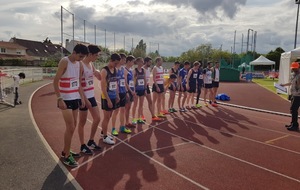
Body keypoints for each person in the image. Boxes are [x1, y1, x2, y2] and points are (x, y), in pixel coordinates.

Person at [53, 44, 88, 167]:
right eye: (80, 56)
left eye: (83, 57)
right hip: (65, 99)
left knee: (73, 126)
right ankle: (67, 156)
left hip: (75, 98)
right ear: (74, 52)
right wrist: (59, 98)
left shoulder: (79, 64)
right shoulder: (64, 61)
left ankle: (66, 150)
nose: (81, 59)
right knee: (71, 126)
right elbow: (55, 81)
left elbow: (77, 81)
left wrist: (82, 97)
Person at [77, 45, 102, 155]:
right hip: (83, 97)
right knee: (82, 122)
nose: (97, 57)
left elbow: (99, 78)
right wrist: (84, 99)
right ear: (90, 54)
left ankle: (91, 141)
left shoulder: (91, 64)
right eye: (96, 55)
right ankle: (82, 145)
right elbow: (78, 84)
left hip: (91, 95)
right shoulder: (81, 65)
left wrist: (97, 72)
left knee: (97, 118)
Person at [100, 53, 120, 145]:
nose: (116, 65)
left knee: (109, 116)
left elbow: (115, 84)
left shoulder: (115, 70)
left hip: (113, 96)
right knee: (106, 117)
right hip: (106, 96)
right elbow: (103, 87)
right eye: (115, 63)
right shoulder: (104, 71)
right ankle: (104, 136)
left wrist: (117, 95)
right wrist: (108, 100)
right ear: (111, 60)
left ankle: (103, 133)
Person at [111, 53, 132, 136]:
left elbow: (124, 81)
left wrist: (126, 92)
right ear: (120, 60)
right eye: (124, 59)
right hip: (117, 93)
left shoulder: (123, 69)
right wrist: (116, 94)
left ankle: (122, 126)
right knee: (116, 111)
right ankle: (113, 128)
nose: (125, 61)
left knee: (122, 110)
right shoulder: (114, 69)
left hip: (123, 92)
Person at [281, 61, 300, 131]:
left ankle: (295, 125)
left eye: (295, 68)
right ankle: (293, 123)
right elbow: (291, 83)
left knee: (294, 109)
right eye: (293, 68)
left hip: (298, 95)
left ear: (297, 68)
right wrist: (283, 85)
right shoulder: (293, 74)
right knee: (292, 110)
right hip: (293, 94)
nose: (293, 69)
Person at [141, 57, 162, 122]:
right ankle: (142, 116)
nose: (150, 63)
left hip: (146, 86)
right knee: (141, 104)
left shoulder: (149, 69)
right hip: (141, 87)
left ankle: (153, 116)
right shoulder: (142, 69)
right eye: (149, 62)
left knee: (150, 101)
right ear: (146, 62)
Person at [132, 57, 147, 124]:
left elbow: (145, 80)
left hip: (142, 89)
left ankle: (139, 118)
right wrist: (134, 90)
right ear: (137, 62)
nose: (142, 63)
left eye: (142, 61)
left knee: (141, 105)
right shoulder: (134, 70)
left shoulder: (144, 70)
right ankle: (133, 119)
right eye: (141, 61)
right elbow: (132, 81)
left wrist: (145, 89)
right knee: (135, 105)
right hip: (136, 89)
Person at [124, 55, 136, 128]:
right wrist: (130, 91)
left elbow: (132, 81)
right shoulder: (125, 70)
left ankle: (127, 122)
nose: (133, 63)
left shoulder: (131, 70)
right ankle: (126, 122)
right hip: (128, 91)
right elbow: (125, 82)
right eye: (132, 61)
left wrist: (134, 90)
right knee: (126, 107)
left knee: (129, 107)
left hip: (132, 90)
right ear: (128, 61)